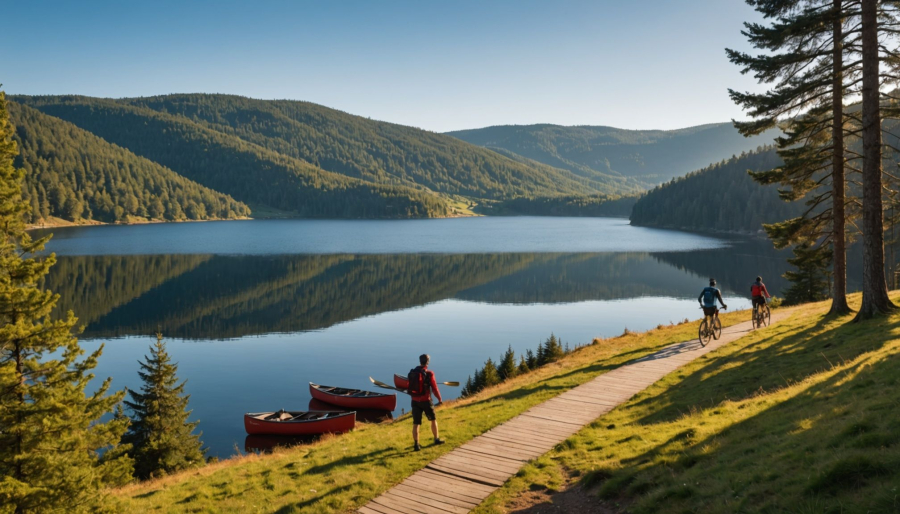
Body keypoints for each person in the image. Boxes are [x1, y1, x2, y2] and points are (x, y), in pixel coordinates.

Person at [409, 354, 444, 452]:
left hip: (415, 401)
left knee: (416, 423)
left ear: (420, 361)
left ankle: (416, 445)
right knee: (433, 419)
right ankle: (436, 439)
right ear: (428, 362)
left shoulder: (413, 372)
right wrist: (440, 399)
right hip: (426, 401)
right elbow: (434, 389)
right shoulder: (429, 373)